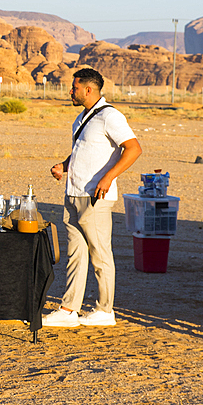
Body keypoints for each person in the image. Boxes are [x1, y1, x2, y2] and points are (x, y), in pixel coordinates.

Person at [43, 68, 141, 328]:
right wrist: (64, 166)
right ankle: (68, 310)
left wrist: (109, 178)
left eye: (74, 87)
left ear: (88, 89)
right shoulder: (81, 118)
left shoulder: (110, 116)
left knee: (100, 255)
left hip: (96, 197)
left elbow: (133, 148)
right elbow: (81, 152)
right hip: (74, 193)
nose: (70, 92)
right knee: (76, 253)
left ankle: (105, 310)